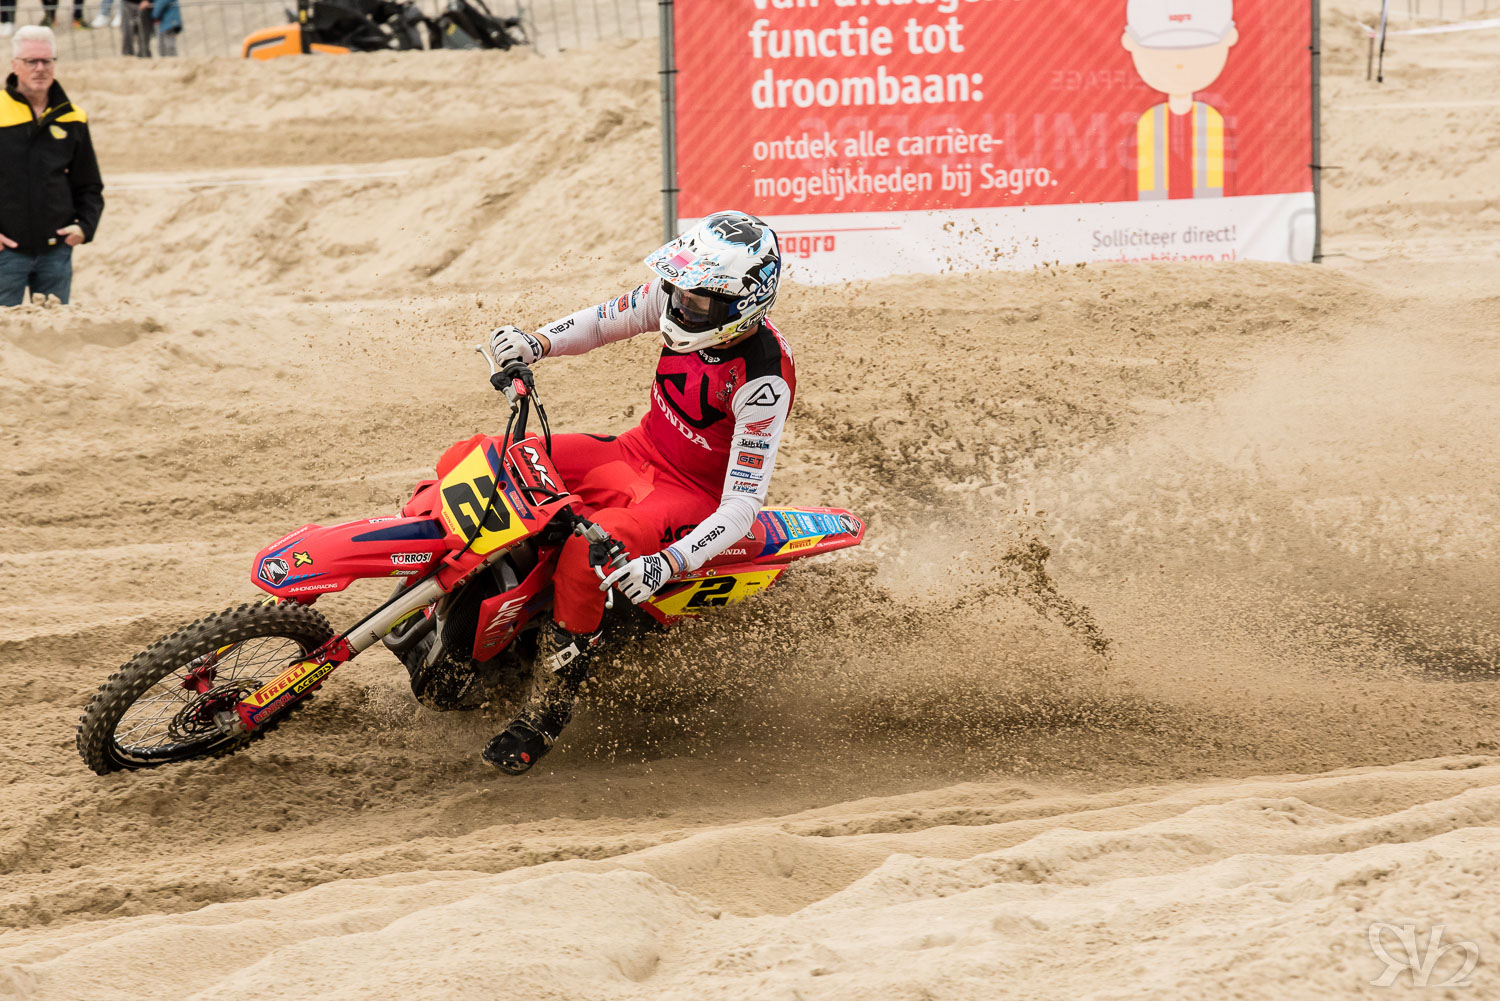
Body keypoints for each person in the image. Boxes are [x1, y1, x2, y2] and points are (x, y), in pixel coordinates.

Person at [481, 210, 791, 775]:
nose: (682, 306)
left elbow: (743, 504)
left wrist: (668, 563)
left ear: (745, 304)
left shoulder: (763, 379)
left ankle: (550, 708)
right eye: (681, 291)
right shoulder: (678, 298)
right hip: (635, 450)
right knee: (494, 457)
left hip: (690, 495)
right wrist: (535, 342)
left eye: (700, 302)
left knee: (587, 552)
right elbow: (602, 322)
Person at [0, 26, 104, 308]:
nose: (40, 68)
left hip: (56, 253)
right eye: (31, 61)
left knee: (56, 331)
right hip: (5, 253)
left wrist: (84, 227)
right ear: (14, 65)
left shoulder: (73, 117)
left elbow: (89, 183)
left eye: (47, 61)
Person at [1122, 0, 1238, 200]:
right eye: (1161, 54)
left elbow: (1224, 183)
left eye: (1198, 51)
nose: (1179, 63)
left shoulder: (1212, 122)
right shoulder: (1148, 123)